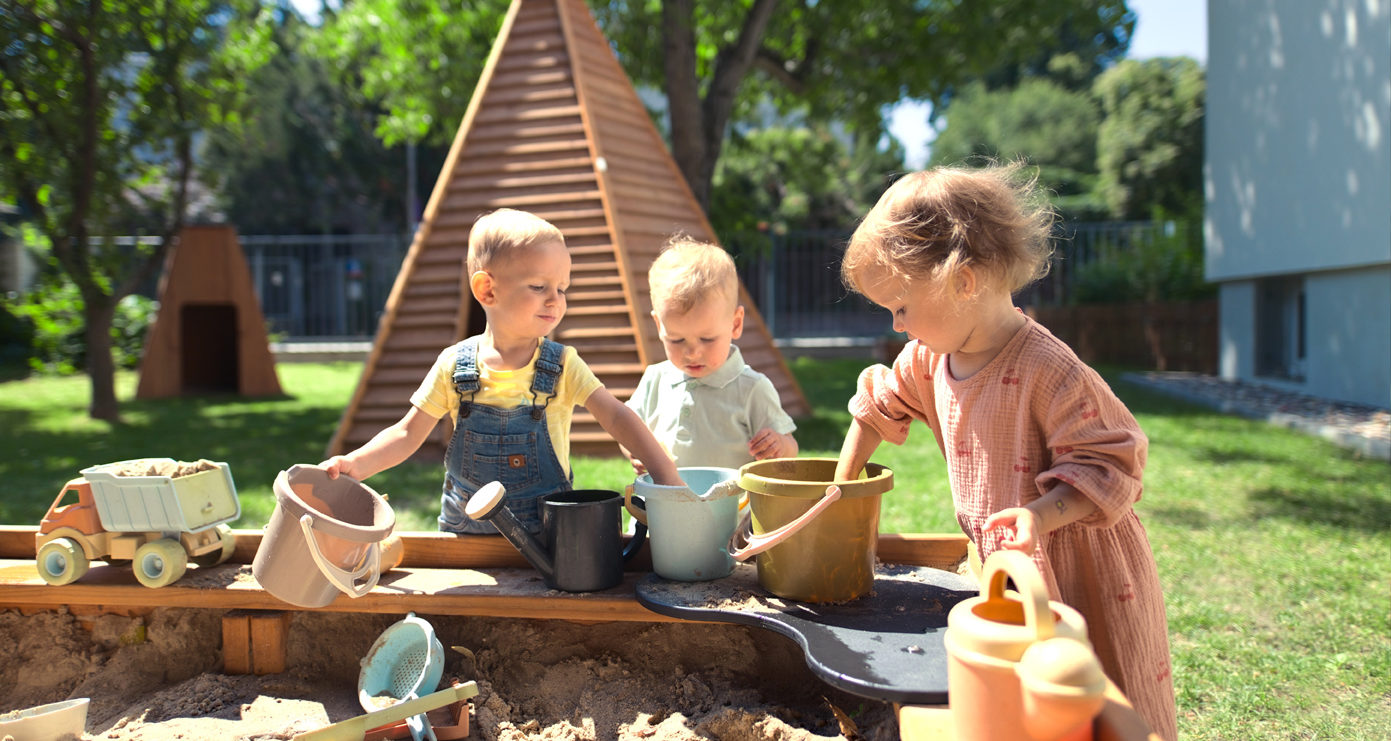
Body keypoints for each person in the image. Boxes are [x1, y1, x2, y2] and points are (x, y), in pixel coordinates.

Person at [832, 164, 1178, 741]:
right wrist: (842, 492)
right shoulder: (928, 360)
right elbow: (874, 407)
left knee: (1092, 698)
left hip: (1075, 563)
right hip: (1008, 564)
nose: (896, 327)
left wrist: (1039, 515)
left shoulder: (1050, 370)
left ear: (963, 281)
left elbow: (1112, 463)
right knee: (1019, 709)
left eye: (900, 307)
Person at [322, 208, 681, 533]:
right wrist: (355, 464)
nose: (555, 299)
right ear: (487, 290)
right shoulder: (453, 365)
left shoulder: (562, 365)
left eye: (562, 288)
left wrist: (666, 474)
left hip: (546, 535)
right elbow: (406, 434)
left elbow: (617, 417)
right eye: (539, 287)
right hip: (465, 538)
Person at [624, 237, 798, 473]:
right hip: (660, 507)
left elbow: (791, 448)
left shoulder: (751, 389)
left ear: (735, 324)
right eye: (677, 339)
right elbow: (626, 429)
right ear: (658, 325)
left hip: (728, 508)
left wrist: (779, 446)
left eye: (707, 339)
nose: (693, 352)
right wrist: (635, 450)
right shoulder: (655, 379)